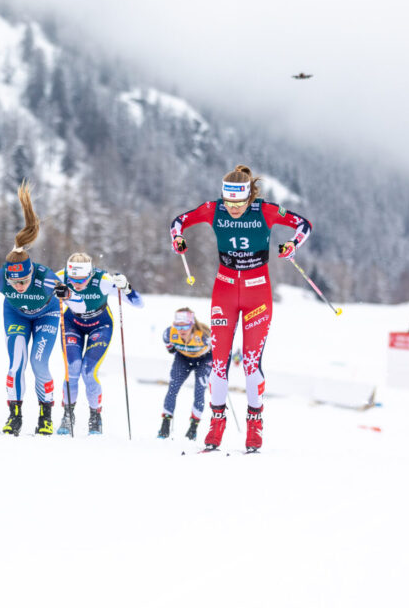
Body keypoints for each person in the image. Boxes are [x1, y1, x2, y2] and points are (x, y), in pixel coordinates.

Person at [170, 164, 312, 452]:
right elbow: (178, 222)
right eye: (229, 202)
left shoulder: (265, 210)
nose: (233, 208)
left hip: (257, 293)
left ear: (249, 197)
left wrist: (292, 245)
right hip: (224, 291)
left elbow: (303, 225)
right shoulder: (214, 209)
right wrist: (178, 239)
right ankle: (216, 424)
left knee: (249, 364)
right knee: (219, 363)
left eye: (239, 203)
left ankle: (254, 425)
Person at [0, 182, 83, 436]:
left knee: (39, 364)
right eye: (14, 282)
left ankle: (45, 416)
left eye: (24, 281)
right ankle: (14, 416)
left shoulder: (44, 276)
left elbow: (77, 304)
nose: (18, 286)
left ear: (31, 273)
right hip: (16, 315)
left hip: (46, 315)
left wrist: (66, 294)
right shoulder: (1, 277)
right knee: (16, 364)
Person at [54, 253, 142, 435]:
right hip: (72, 324)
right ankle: (68, 415)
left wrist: (126, 287)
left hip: (100, 326)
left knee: (88, 371)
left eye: (82, 279)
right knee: (73, 368)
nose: (77, 284)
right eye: (73, 279)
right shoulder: (60, 276)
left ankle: (95, 416)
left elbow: (138, 303)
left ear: (91, 274)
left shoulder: (102, 280)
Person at [158, 307, 212, 440]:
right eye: (178, 326)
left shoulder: (204, 336)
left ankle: (193, 428)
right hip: (183, 359)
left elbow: (218, 351)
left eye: (185, 326)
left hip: (204, 360)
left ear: (192, 324)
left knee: (199, 391)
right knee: (173, 388)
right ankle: (165, 425)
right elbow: (171, 350)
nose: (181, 330)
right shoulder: (169, 334)